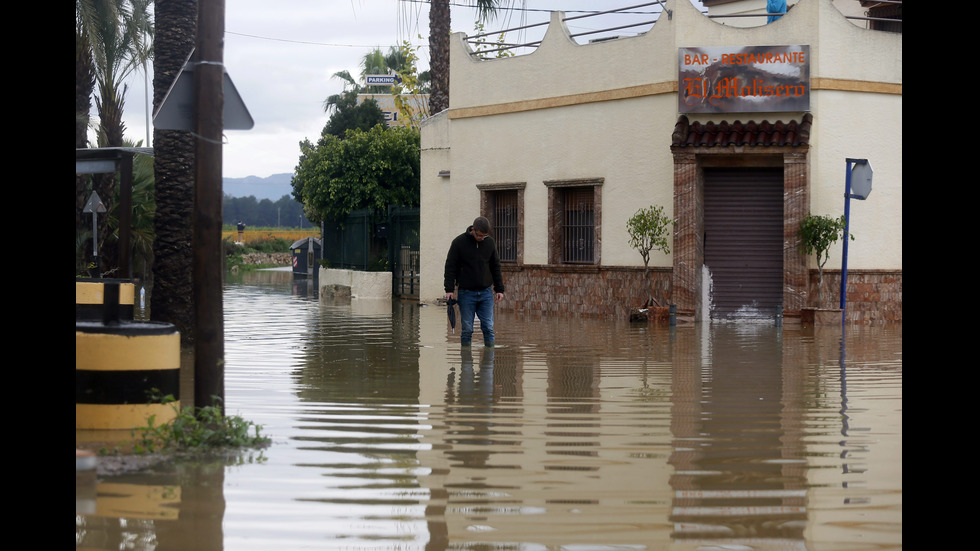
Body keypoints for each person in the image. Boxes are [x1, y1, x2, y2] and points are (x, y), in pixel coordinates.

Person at [444, 216, 505, 347]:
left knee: (488, 327)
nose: (482, 238)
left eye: (484, 236)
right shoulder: (458, 243)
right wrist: (449, 289)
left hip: (486, 293)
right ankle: (466, 361)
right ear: (473, 229)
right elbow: (450, 267)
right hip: (466, 293)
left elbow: (496, 266)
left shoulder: (490, 243)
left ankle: (489, 361)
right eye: (479, 235)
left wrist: (499, 289)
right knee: (467, 329)